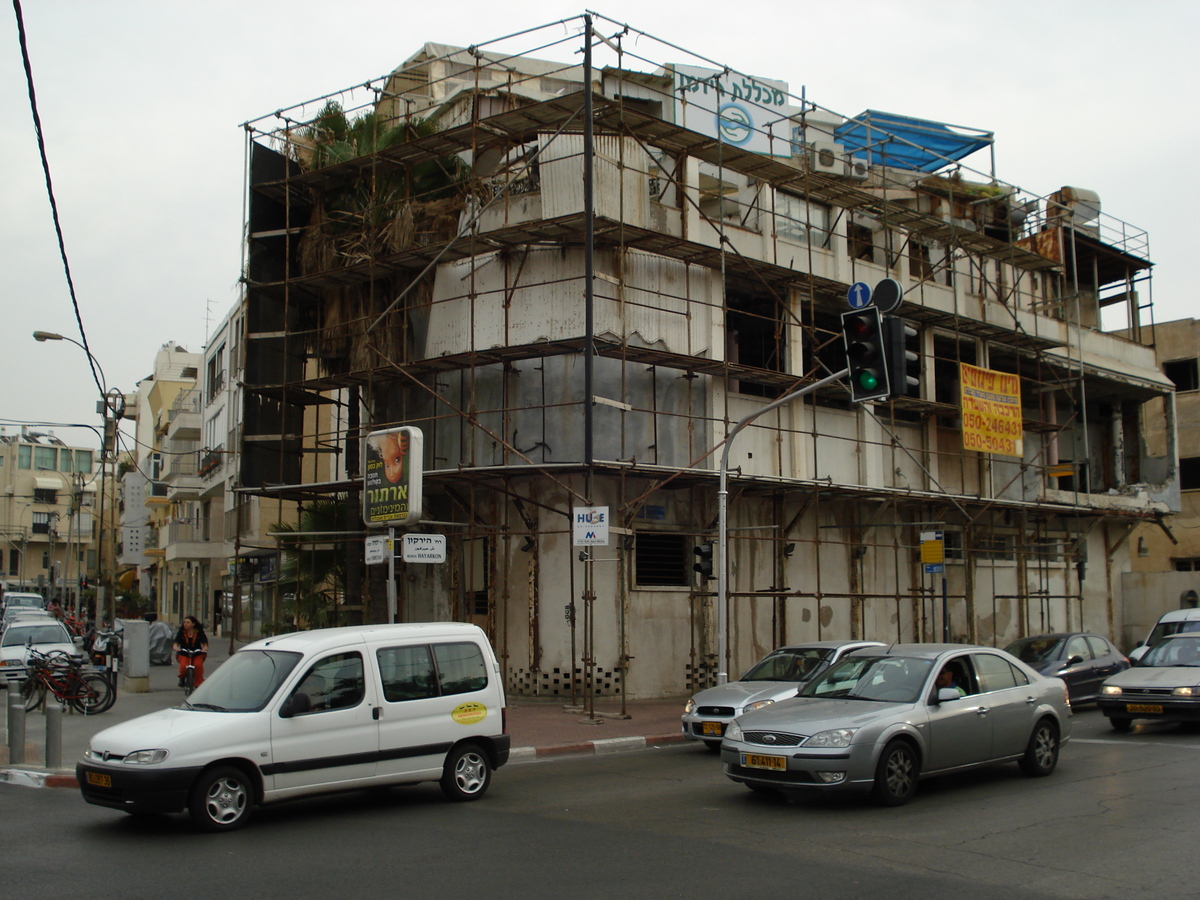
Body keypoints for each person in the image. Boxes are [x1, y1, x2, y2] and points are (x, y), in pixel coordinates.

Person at [173, 615, 210, 688]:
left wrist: (204, 647)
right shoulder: (182, 631)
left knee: (198, 666)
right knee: (183, 666)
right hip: (184, 652)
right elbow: (177, 641)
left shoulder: (199, 631)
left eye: (188, 622)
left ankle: (198, 683)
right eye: (184, 622)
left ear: (193, 624)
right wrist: (175, 647)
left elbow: (204, 641)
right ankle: (182, 677)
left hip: (197, 652)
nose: (185, 624)